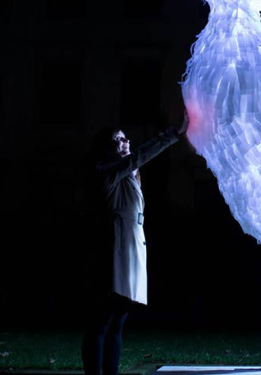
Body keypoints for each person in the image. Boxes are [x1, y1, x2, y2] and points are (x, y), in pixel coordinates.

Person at [81, 113, 189, 375]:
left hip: (132, 247)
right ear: (107, 148)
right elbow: (139, 155)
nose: (125, 140)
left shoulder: (128, 174)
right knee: (102, 321)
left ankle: (110, 373)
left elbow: (136, 162)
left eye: (124, 137)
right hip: (115, 250)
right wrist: (174, 134)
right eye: (118, 139)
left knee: (117, 321)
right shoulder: (107, 171)